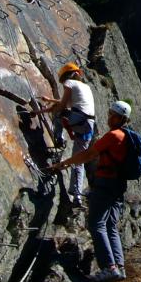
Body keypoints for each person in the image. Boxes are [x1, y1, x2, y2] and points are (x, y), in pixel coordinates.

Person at [47, 100, 132, 282]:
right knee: (110, 225)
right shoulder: (127, 136)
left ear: (119, 117)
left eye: (112, 114)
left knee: (96, 224)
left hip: (105, 184)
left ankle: (109, 268)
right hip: (118, 186)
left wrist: (63, 164)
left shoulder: (113, 136)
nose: (109, 116)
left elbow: (88, 154)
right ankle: (119, 267)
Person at [41, 62, 95, 206]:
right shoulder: (86, 87)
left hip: (79, 120)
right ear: (78, 73)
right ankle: (77, 197)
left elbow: (63, 105)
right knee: (78, 161)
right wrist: (51, 100)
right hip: (88, 125)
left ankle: (59, 139)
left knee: (59, 113)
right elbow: (70, 102)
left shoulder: (69, 83)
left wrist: (43, 111)